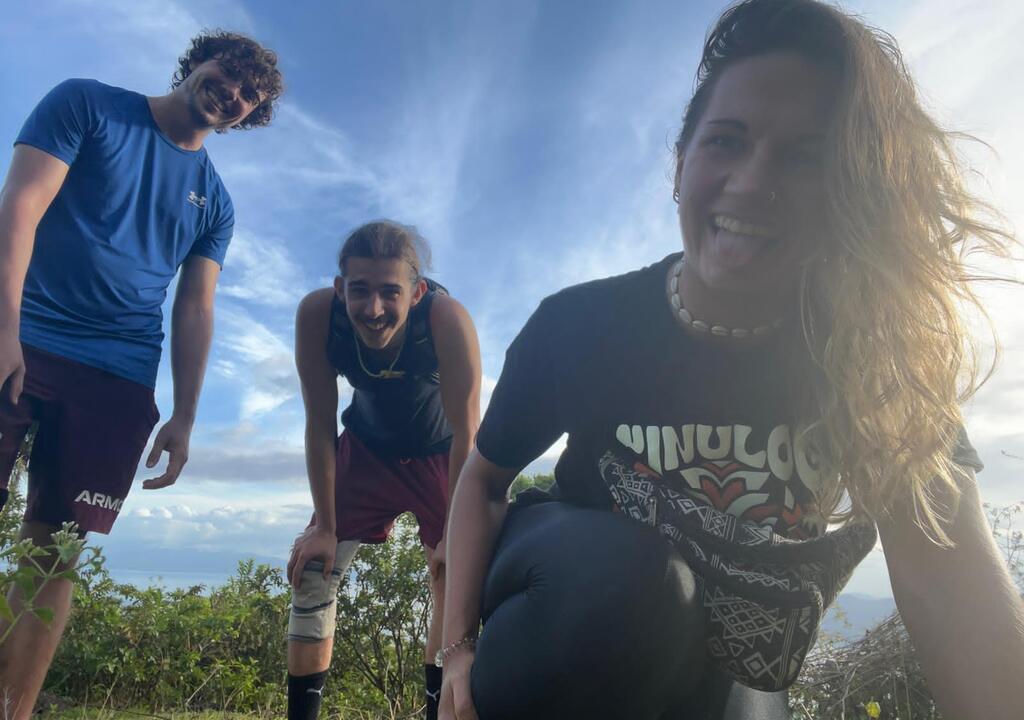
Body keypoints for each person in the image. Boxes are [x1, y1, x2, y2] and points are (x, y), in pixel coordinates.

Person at [438, 1, 1024, 719]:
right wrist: (455, 650)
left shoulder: (875, 358)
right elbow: (483, 480)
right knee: (632, 585)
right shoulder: (582, 325)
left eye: (805, 156)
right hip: (569, 600)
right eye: (726, 140)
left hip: (730, 641)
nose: (751, 182)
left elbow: (947, 568)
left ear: (850, 191)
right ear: (680, 164)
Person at [0, 31, 283, 720]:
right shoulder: (87, 105)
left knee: (54, 554)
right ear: (196, 62)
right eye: (228, 73)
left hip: (119, 375)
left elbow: (196, 306)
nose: (233, 93)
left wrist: (185, 415)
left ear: (249, 117)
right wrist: (3, 327)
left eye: (250, 95)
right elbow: (22, 205)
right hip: (24, 336)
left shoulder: (215, 202)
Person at [285, 220, 481, 720]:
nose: (373, 310)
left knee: (452, 579)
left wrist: (455, 534)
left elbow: (468, 430)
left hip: (442, 455)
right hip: (366, 450)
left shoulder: (446, 318)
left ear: (416, 293)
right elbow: (319, 421)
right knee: (313, 570)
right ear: (340, 288)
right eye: (360, 290)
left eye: (390, 292)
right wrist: (325, 527)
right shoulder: (318, 316)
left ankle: (438, 709)